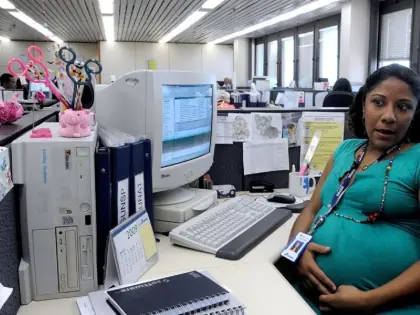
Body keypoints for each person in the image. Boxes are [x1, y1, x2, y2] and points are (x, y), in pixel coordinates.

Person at [285, 64, 420, 314]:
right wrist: (296, 252)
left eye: (403, 106)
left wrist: (368, 300)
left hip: (384, 308)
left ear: (414, 113)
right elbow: (311, 210)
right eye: (378, 102)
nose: (389, 116)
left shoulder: (418, 160)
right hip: (306, 297)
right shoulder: (345, 150)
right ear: (363, 105)